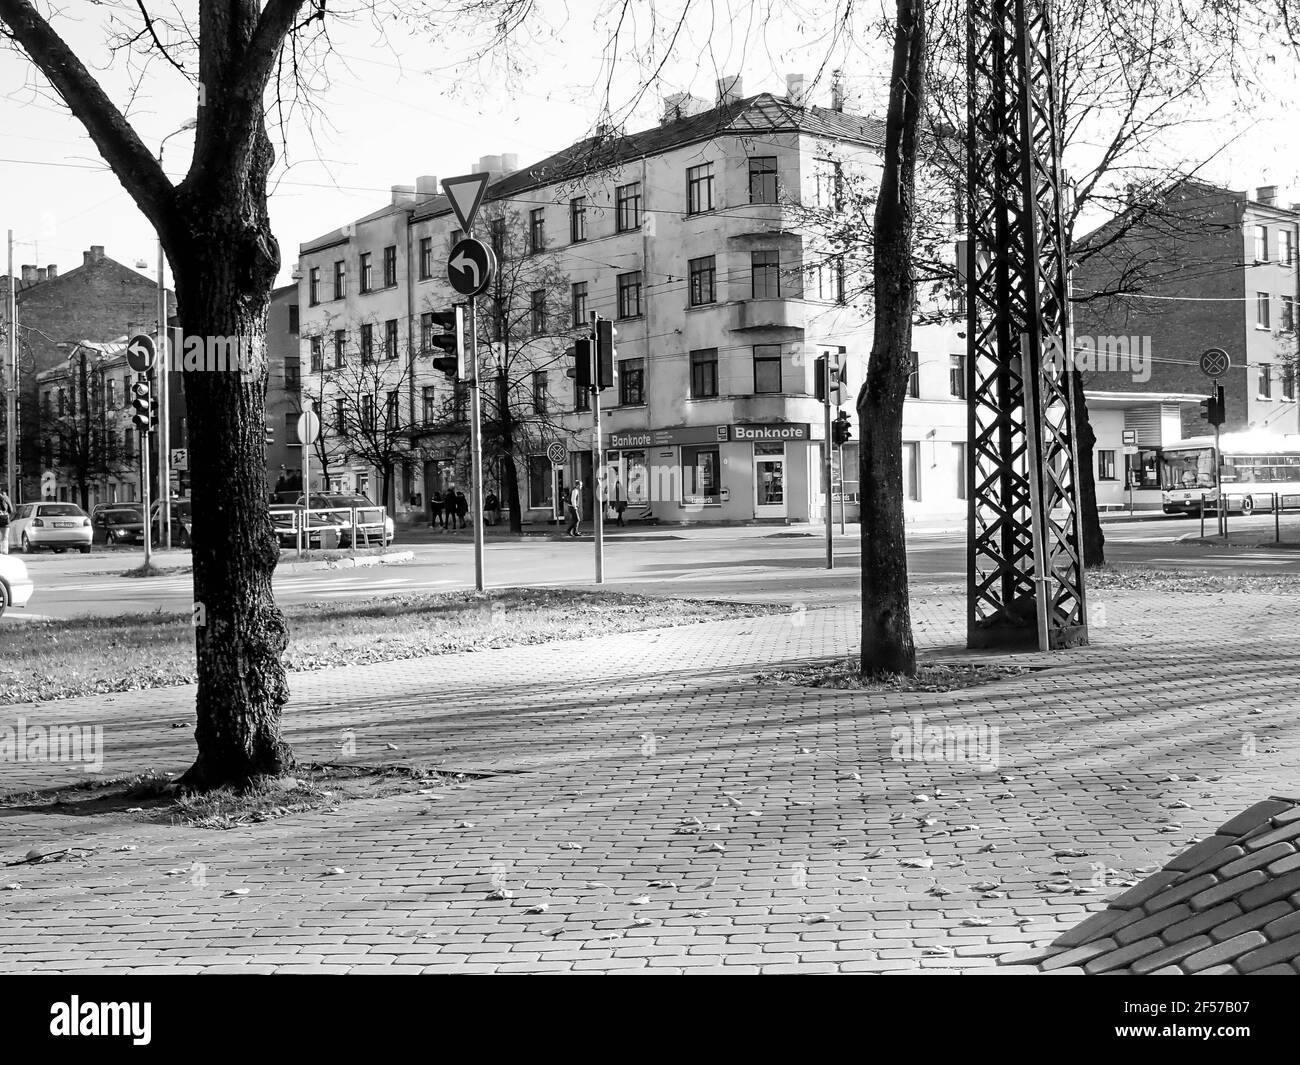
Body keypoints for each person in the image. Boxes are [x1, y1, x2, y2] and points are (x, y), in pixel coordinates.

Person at [0, 487, 12, 554]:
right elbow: (11, 510)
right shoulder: (6, 497)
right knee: (5, 538)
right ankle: (4, 552)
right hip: (4, 521)